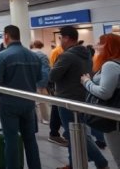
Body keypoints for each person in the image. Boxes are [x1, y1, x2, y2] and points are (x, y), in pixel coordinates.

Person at [49, 26, 109, 169]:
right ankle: (73, 162)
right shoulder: (86, 53)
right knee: (76, 133)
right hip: (82, 97)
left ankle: (101, 162)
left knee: (75, 134)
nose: (60, 41)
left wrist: (54, 66)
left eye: (60, 38)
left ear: (66, 38)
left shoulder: (67, 55)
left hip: (67, 99)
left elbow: (53, 76)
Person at [0, 25, 43, 169]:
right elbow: (39, 77)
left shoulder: (3, 55)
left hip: (9, 103)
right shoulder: (34, 55)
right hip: (29, 103)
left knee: (11, 139)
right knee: (30, 139)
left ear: (6, 36)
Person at [81, 34, 120, 166]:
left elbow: (104, 93)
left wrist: (87, 82)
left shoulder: (110, 65)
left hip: (113, 120)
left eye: (100, 43)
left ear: (109, 46)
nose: (97, 46)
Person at [31, 40, 51, 125]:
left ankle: (38, 119)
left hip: (31, 80)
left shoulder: (29, 53)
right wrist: (44, 83)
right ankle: (45, 118)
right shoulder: (43, 55)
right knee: (43, 101)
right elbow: (45, 71)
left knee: (36, 101)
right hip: (40, 81)